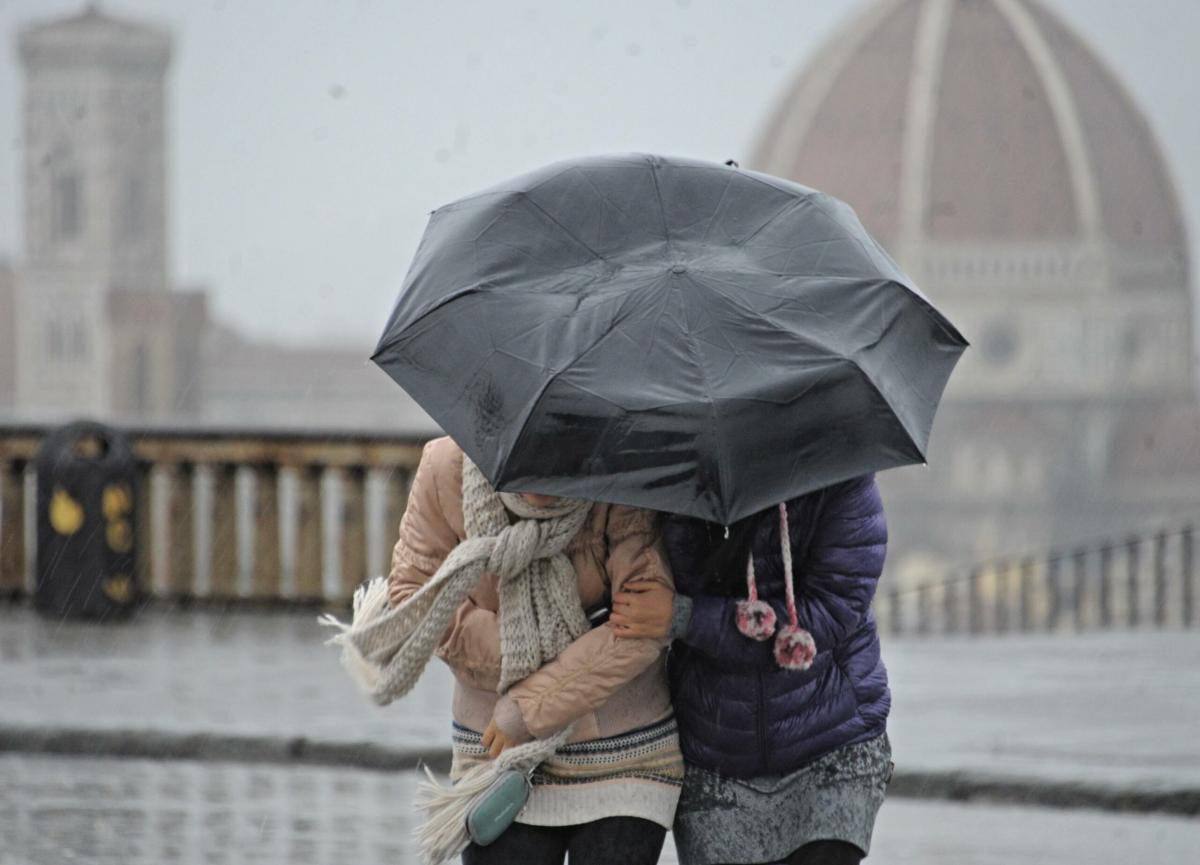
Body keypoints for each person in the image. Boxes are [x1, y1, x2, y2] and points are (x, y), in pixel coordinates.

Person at [387, 436, 683, 865]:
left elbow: (645, 623)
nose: (539, 477)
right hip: (498, 756)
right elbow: (412, 602)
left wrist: (528, 708)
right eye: (523, 458)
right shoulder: (445, 465)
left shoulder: (620, 472)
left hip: (623, 750)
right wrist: (536, 648)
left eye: (556, 459)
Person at [611, 475, 892, 865]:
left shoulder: (841, 477)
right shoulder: (675, 479)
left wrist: (684, 617)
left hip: (830, 737)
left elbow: (831, 610)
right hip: (714, 746)